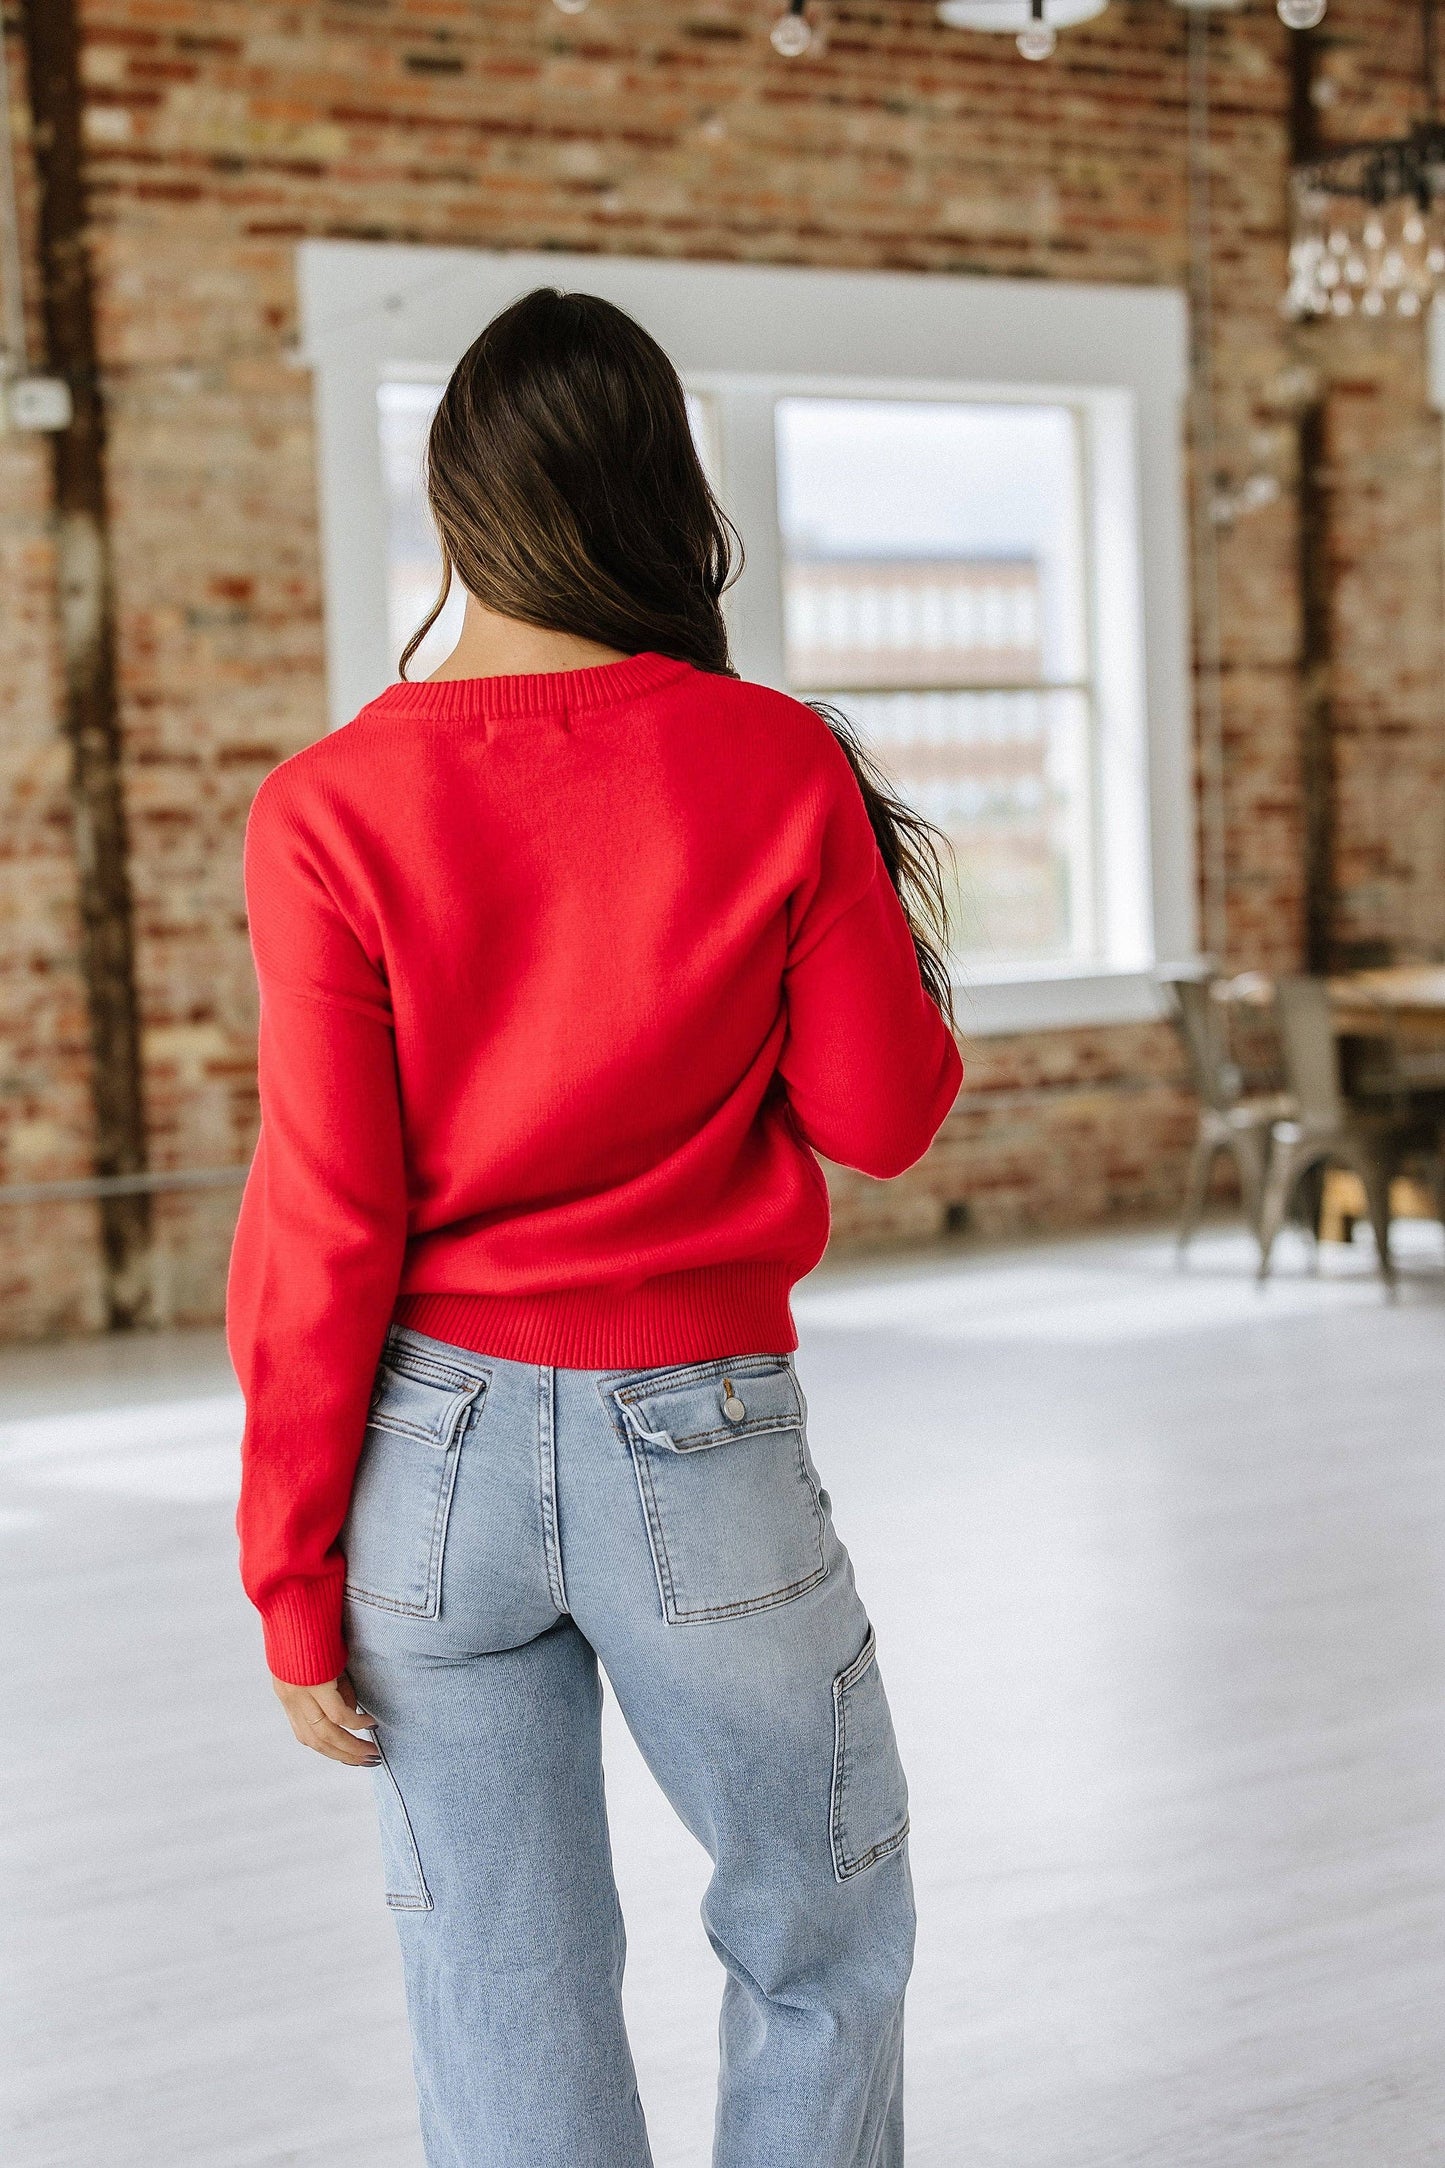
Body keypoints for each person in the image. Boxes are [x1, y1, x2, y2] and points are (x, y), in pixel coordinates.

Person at [227, 287, 963, 2168]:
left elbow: (322, 1219)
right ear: (665, 502)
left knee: (499, 1984)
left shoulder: (323, 806)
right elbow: (882, 1117)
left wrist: (288, 1570)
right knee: (818, 1940)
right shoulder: (769, 761)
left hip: (422, 1469)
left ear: (451, 505)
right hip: (694, 1452)